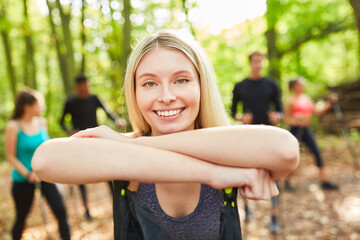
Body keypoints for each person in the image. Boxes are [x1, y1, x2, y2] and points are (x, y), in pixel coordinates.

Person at [33, 31, 299, 239]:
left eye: (181, 80)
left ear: (201, 85)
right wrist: (214, 174)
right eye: (149, 83)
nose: (166, 96)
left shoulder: (222, 147)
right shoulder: (123, 151)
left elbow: (286, 148)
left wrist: (137, 143)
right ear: (134, 93)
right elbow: (44, 160)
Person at [4, 88, 71, 240]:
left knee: (60, 211)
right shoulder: (13, 126)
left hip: (45, 176)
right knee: (22, 216)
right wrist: (28, 174)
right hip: (23, 179)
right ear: (27, 106)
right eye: (38, 104)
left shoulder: (42, 122)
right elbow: (11, 156)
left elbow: (46, 149)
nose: (42, 107)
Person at [60, 74, 126, 220]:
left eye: (87, 85)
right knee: (81, 177)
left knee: (108, 173)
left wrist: (117, 120)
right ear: (78, 86)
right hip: (80, 143)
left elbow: (107, 112)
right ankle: (87, 210)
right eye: (83, 86)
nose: (86, 89)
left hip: (96, 140)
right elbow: (61, 121)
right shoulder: (70, 102)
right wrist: (70, 131)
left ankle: (116, 205)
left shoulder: (94, 98)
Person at [231, 51, 283, 233]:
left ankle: (274, 217)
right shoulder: (240, 86)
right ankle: (247, 209)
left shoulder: (271, 84)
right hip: (248, 135)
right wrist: (241, 117)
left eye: (261, 61)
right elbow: (232, 112)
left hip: (269, 134)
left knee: (273, 173)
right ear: (250, 63)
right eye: (255, 61)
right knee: (246, 171)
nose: (259, 64)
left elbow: (280, 109)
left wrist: (277, 116)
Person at [284, 77, 339, 191]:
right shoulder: (291, 101)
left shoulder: (306, 99)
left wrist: (330, 103)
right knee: (292, 155)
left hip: (306, 130)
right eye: (300, 84)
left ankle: (324, 181)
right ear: (294, 87)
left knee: (316, 152)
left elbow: (318, 111)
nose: (303, 86)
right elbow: (286, 119)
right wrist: (296, 120)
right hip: (295, 130)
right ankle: (287, 182)